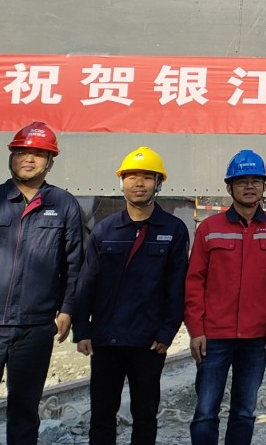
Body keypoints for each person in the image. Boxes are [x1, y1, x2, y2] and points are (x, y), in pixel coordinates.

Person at [0, 121, 86, 445]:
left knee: (24, 414)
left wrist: (67, 309)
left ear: (50, 162)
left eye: (38, 154)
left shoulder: (63, 205)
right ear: (11, 156)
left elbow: (74, 264)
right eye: (22, 152)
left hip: (34, 329)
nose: (29, 159)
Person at [76, 146, 190, 445]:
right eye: (131, 177)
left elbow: (177, 286)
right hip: (107, 339)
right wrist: (82, 329)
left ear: (158, 183)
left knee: (145, 415)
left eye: (147, 177)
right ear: (122, 182)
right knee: (102, 415)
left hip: (149, 342)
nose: (139, 183)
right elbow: (87, 281)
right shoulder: (105, 229)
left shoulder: (174, 229)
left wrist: (167, 332)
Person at [185, 149, 266, 445]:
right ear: (229, 188)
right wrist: (196, 330)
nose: (250, 187)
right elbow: (194, 282)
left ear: (264, 186)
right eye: (242, 181)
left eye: (256, 181)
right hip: (214, 337)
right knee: (206, 411)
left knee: (244, 411)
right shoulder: (209, 228)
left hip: (257, 337)